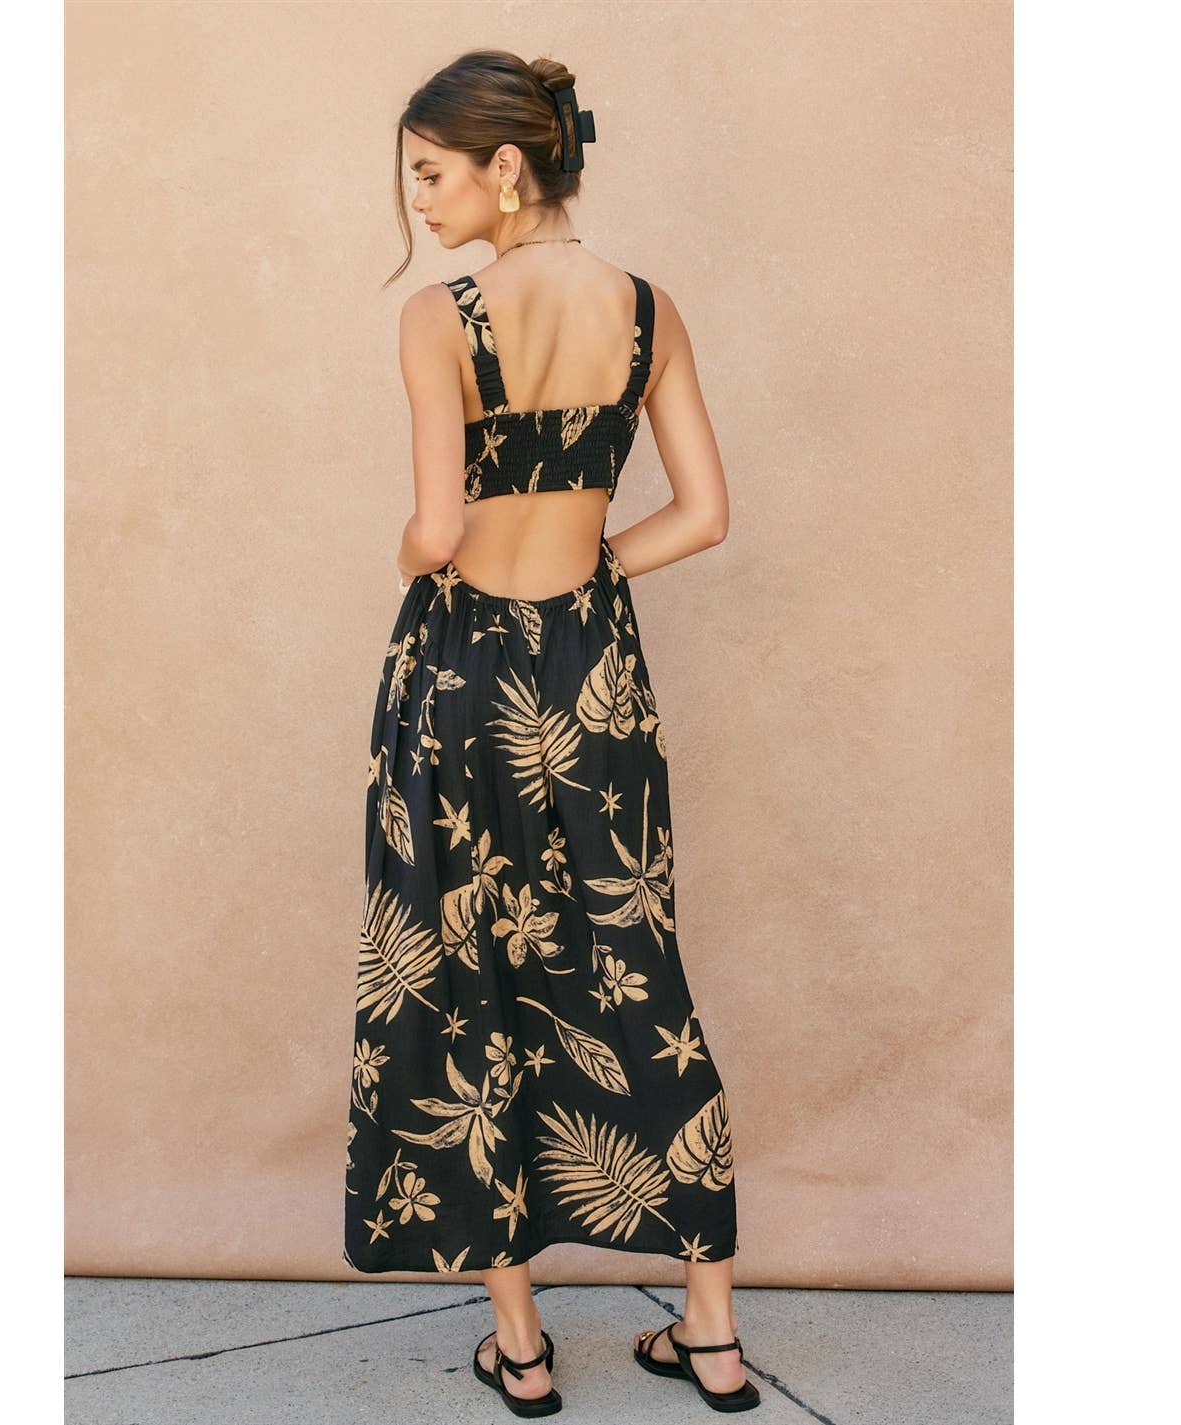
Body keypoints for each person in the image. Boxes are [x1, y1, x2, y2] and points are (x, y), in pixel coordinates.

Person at [343, 49, 758, 1415]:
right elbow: (704, 514)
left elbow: (436, 529)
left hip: (460, 674)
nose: (420, 202)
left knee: (462, 973)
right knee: (631, 966)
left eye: (430, 173)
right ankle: (710, 1331)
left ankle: (520, 1347)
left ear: (506, 168)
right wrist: (588, 571)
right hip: (592, 677)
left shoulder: (439, 316)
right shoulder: (646, 309)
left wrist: (417, 551)